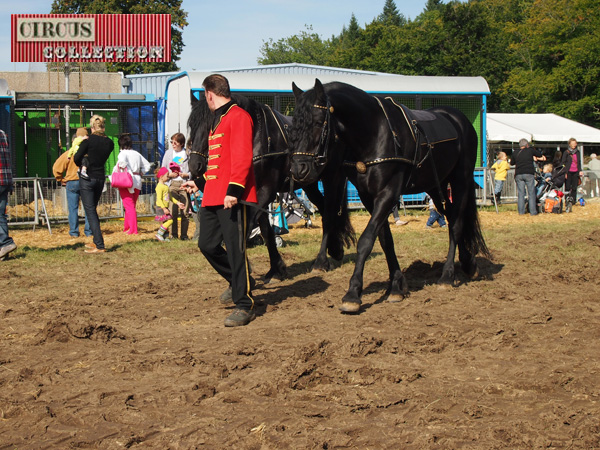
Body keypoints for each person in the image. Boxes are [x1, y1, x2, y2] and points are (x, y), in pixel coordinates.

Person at [182, 74, 258, 327]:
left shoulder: (238, 116)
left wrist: (234, 191)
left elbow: (242, 158)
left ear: (209, 94)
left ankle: (245, 304)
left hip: (231, 197)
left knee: (236, 250)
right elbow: (218, 163)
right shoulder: (219, 119)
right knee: (207, 245)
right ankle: (243, 280)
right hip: (214, 195)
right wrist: (198, 183)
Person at [73, 115, 114, 253]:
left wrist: (83, 163)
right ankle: (96, 240)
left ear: (92, 127)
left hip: (87, 178)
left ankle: (99, 244)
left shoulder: (88, 141)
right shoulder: (109, 142)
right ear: (104, 127)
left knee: (90, 210)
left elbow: (76, 158)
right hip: (100, 177)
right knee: (92, 209)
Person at [52, 132, 92, 239]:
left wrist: (60, 179)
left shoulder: (69, 153)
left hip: (72, 182)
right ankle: (89, 231)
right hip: (86, 182)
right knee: (89, 208)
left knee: (73, 208)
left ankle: (74, 232)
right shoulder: (89, 153)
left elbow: (56, 168)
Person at [112, 134, 152, 235]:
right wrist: (141, 172)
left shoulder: (122, 153)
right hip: (137, 179)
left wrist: (126, 171)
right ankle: (127, 227)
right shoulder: (136, 153)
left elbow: (121, 163)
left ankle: (133, 229)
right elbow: (147, 165)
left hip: (126, 180)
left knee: (128, 206)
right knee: (131, 205)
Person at [161, 132, 191, 240]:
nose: (173, 144)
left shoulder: (187, 154)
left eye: (175, 143)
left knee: (185, 211)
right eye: (172, 142)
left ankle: (184, 235)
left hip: (184, 184)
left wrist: (186, 175)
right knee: (172, 211)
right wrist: (169, 175)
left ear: (181, 144)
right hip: (172, 184)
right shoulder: (168, 153)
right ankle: (173, 235)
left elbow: (192, 170)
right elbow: (163, 169)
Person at [513, 138, 543, 215]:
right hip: (528, 173)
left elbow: (512, 162)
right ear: (527, 145)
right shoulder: (530, 150)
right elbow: (539, 154)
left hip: (519, 174)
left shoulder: (515, 152)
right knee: (531, 193)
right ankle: (533, 212)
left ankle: (521, 212)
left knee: (521, 193)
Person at [0, 129, 17, 261]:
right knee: (1, 215)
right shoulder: (3, 134)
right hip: (5, 179)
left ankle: (5, 243)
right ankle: (5, 245)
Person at [155, 167, 182, 241]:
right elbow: (159, 199)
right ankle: (159, 234)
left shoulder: (166, 186)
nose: (168, 177)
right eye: (167, 176)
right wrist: (164, 208)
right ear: (161, 177)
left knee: (166, 222)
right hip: (161, 207)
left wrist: (178, 203)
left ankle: (165, 237)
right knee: (170, 221)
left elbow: (170, 197)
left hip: (165, 207)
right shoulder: (159, 187)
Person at [560, 138, 583, 204]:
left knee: (574, 187)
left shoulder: (577, 152)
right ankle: (567, 201)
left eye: (575, 143)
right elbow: (563, 163)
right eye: (572, 144)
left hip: (576, 171)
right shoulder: (566, 152)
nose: (574, 145)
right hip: (568, 171)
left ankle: (573, 201)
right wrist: (564, 172)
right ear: (569, 144)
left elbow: (579, 162)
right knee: (567, 187)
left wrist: (580, 170)